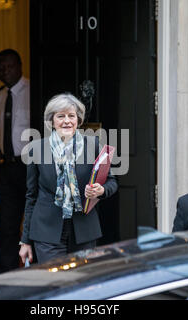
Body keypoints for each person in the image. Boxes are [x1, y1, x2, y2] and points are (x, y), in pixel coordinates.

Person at [19, 93, 118, 264]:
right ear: (52, 121)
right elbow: (31, 196)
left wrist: (101, 191)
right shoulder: (36, 149)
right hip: (46, 232)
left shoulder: (93, 145)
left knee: (81, 282)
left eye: (71, 116)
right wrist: (25, 240)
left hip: (84, 230)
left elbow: (111, 182)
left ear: (78, 120)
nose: (67, 121)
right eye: (61, 116)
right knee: (56, 282)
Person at [0, 49, 30, 273]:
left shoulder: (33, 90)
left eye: (9, 66)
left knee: (33, 225)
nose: (5, 71)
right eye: (1, 67)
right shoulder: (0, 96)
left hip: (30, 168)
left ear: (20, 66)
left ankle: (36, 273)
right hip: (8, 168)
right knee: (7, 226)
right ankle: (6, 273)